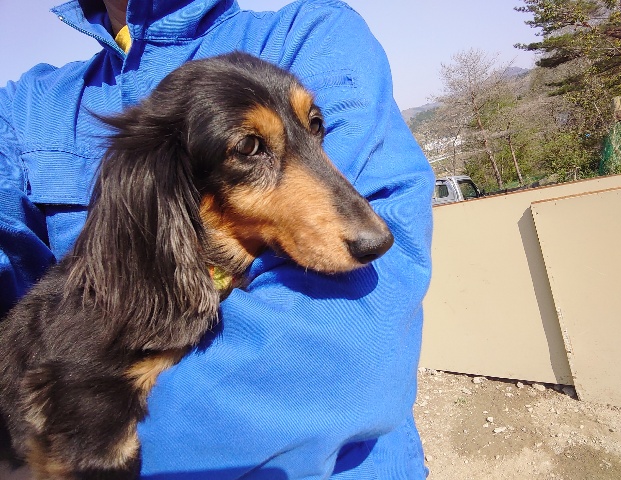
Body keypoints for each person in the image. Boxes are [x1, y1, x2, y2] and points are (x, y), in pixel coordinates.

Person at [0, 0, 434, 478]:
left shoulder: (310, 35)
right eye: (250, 147)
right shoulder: (25, 108)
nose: (367, 226)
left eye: (314, 125)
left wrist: (88, 433)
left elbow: (349, 348)